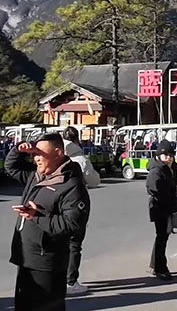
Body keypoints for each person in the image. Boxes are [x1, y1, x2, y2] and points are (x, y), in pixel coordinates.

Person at [5, 133, 90, 311]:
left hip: (47, 264)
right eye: (33, 154)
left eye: (40, 153)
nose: (36, 158)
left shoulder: (70, 185)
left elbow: (72, 223)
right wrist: (19, 148)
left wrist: (37, 216)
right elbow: (11, 167)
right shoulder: (37, 176)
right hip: (26, 258)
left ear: (58, 152)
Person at [61, 126, 101, 295]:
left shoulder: (54, 156)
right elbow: (93, 180)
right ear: (77, 138)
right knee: (74, 244)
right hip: (75, 203)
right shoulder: (79, 158)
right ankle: (71, 281)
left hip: (53, 202)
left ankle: (55, 279)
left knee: (56, 243)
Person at [146, 140, 177, 281]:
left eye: (170, 155)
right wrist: (171, 192)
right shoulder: (156, 170)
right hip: (160, 207)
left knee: (162, 237)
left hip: (165, 206)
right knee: (161, 237)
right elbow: (154, 189)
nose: (168, 157)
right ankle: (160, 267)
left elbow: (176, 184)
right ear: (159, 155)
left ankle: (155, 265)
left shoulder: (169, 168)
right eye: (165, 155)